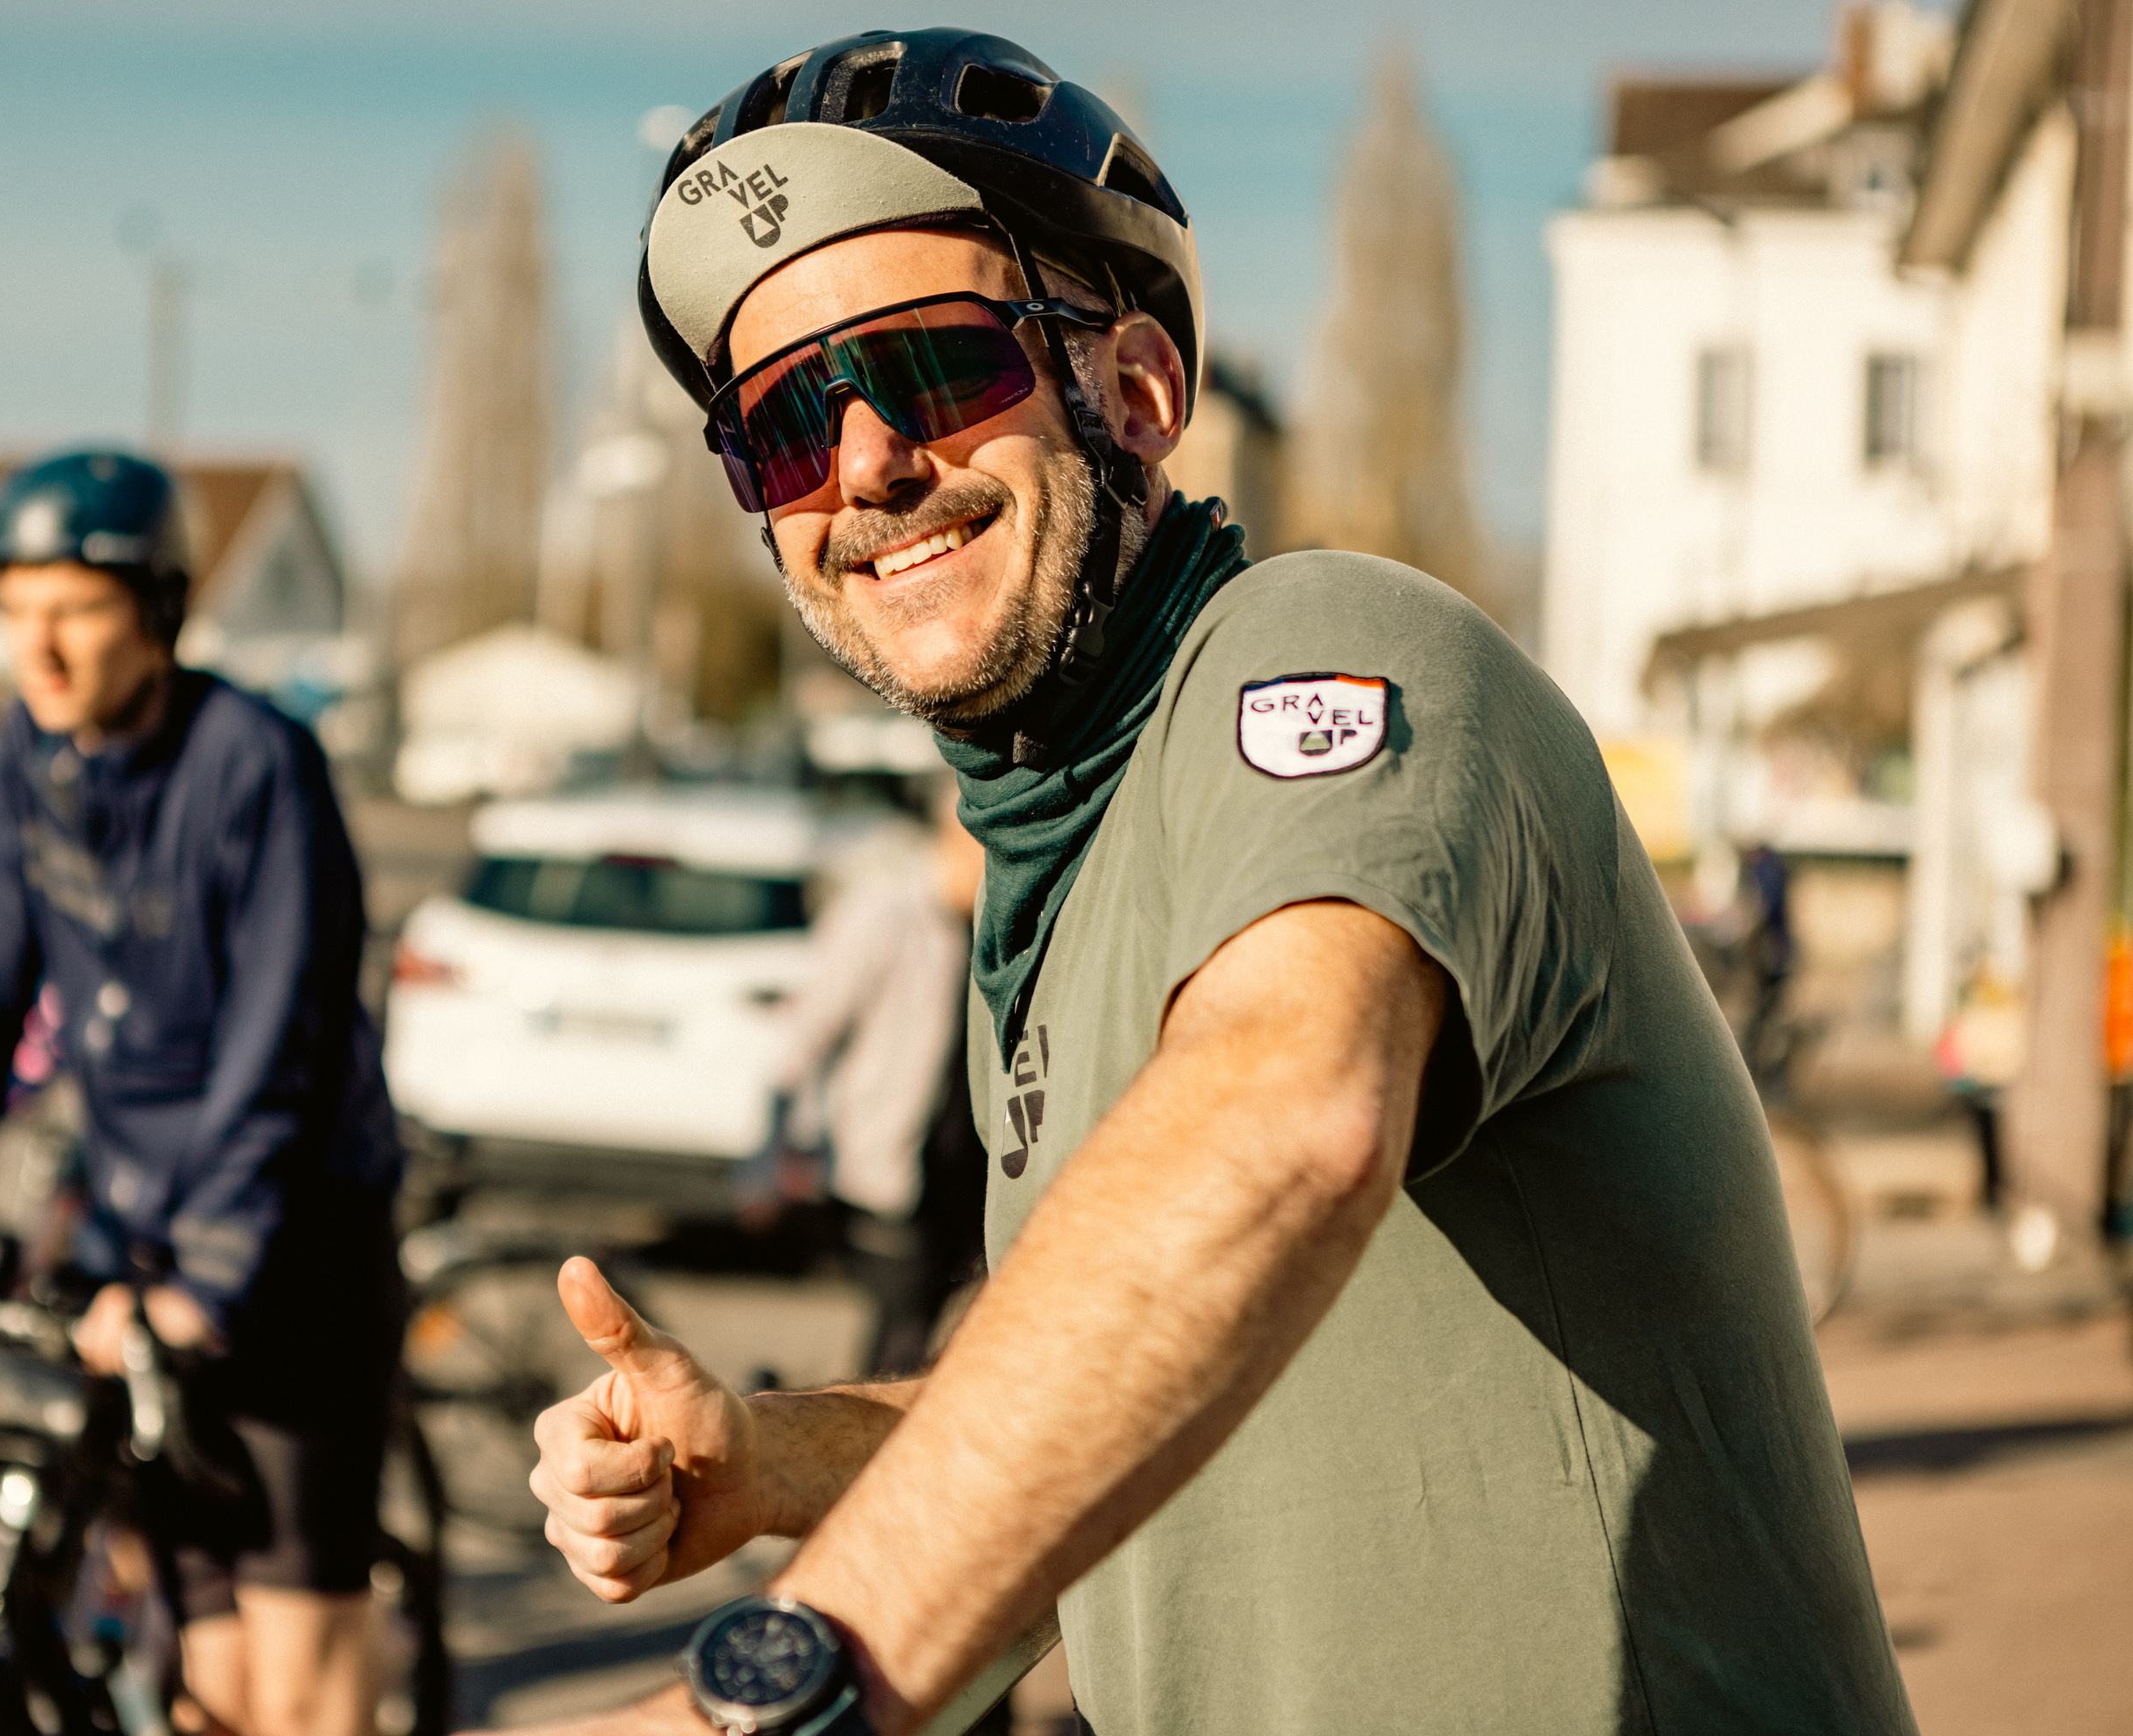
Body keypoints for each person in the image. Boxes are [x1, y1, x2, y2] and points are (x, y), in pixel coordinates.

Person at [515, 29, 1912, 1735]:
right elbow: (1124, 1437)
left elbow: (1283, 1119)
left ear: (1141, 393)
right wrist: (775, 1455)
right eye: (788, 424)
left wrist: (789, 1678)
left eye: (935, 369)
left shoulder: (1328, 656)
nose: (866, 464)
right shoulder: (1057, 881)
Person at [0, 449, 402, 1736]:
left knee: (297, 1692)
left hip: (288, 1255)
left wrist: (207, 1281)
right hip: (141, 1254)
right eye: (16, 613)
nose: (39, 649)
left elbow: (279, 1043)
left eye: (71, 611)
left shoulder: (258, 764)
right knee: (201, 1685)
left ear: (160, 609)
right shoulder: (30, 758)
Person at [748, 796, 986, 1372]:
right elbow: (806, 1036)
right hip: (891, 1162)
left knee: (948, 1321)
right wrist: (776, 1150)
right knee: (904, 1325)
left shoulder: (999, 927)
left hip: (971, 1171)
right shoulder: (884, 918)